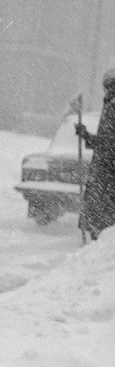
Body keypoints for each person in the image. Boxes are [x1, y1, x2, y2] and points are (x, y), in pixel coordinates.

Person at [76, 68, 115, 241]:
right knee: (99, 219)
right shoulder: (110, 105)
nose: (106, 90)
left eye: (108, 86)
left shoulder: (112, 107)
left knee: (102, 222)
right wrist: (86, 135)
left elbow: (108, 144)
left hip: (107, 176)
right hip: (104, 174)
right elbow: (106, 142)